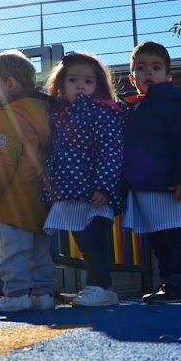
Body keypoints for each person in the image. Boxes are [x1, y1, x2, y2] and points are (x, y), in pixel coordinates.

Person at [0, 50, 56, 313]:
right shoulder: (43, 114)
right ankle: (43, 294)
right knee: (38, 254)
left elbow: (1, 160)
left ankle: (17, 294)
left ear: (9, 84)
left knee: (11, 254)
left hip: (7, 202)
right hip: (35, 202)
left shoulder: (7, 117)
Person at [121, 41, 181, 304]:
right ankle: (168, 281)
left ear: (168, 77)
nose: (149, 73)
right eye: (142, 68)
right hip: (146, 187)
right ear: (132, 78)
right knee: (158, 238)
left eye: (156, 68)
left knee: (175, 234)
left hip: (169, 185)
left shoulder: (174, 104)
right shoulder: (133, 108)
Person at [43, 52, 124, 306]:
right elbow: (52, 154)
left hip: (95, 191)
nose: (80, 85)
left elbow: (111, 149)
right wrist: (50, 190)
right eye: (72, 80)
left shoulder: (103, 112)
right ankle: (104, 287)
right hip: (69, 191)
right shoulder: (58, 115)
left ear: (97, 86)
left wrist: (104, 185)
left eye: (88, 82)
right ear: (60, 84)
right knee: (85, 243)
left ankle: (99, 285)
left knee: (94, 238)